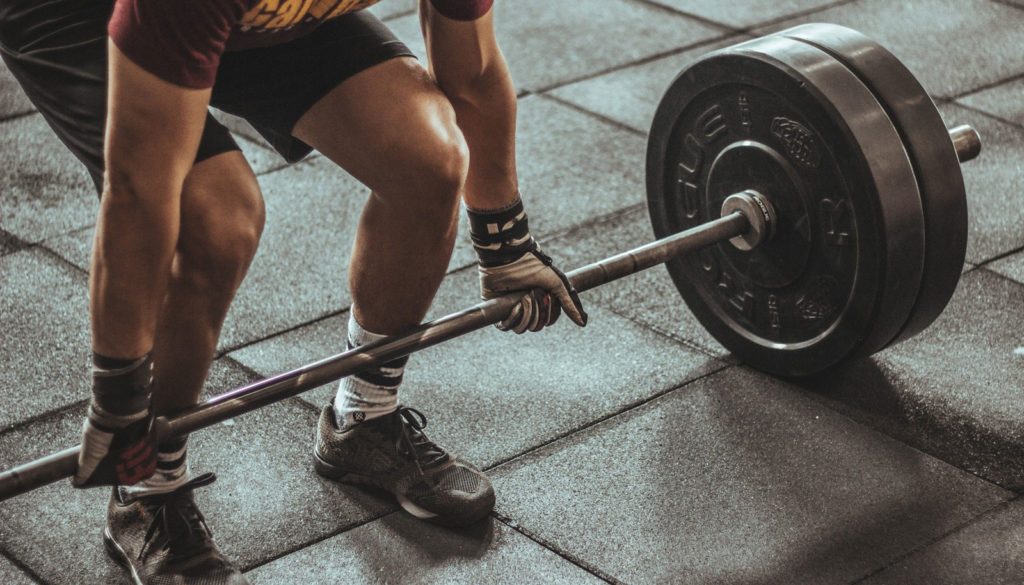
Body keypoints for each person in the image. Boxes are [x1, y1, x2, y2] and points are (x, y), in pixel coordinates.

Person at [0, 1, 588, 583]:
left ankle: (363, 419)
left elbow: (474, 73)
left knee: (428, 157)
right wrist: (120, 396)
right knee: (214, 219)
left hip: (254, 15)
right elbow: (138, 193)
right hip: (83, 14)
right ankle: (146, 488)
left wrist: (507, 245)